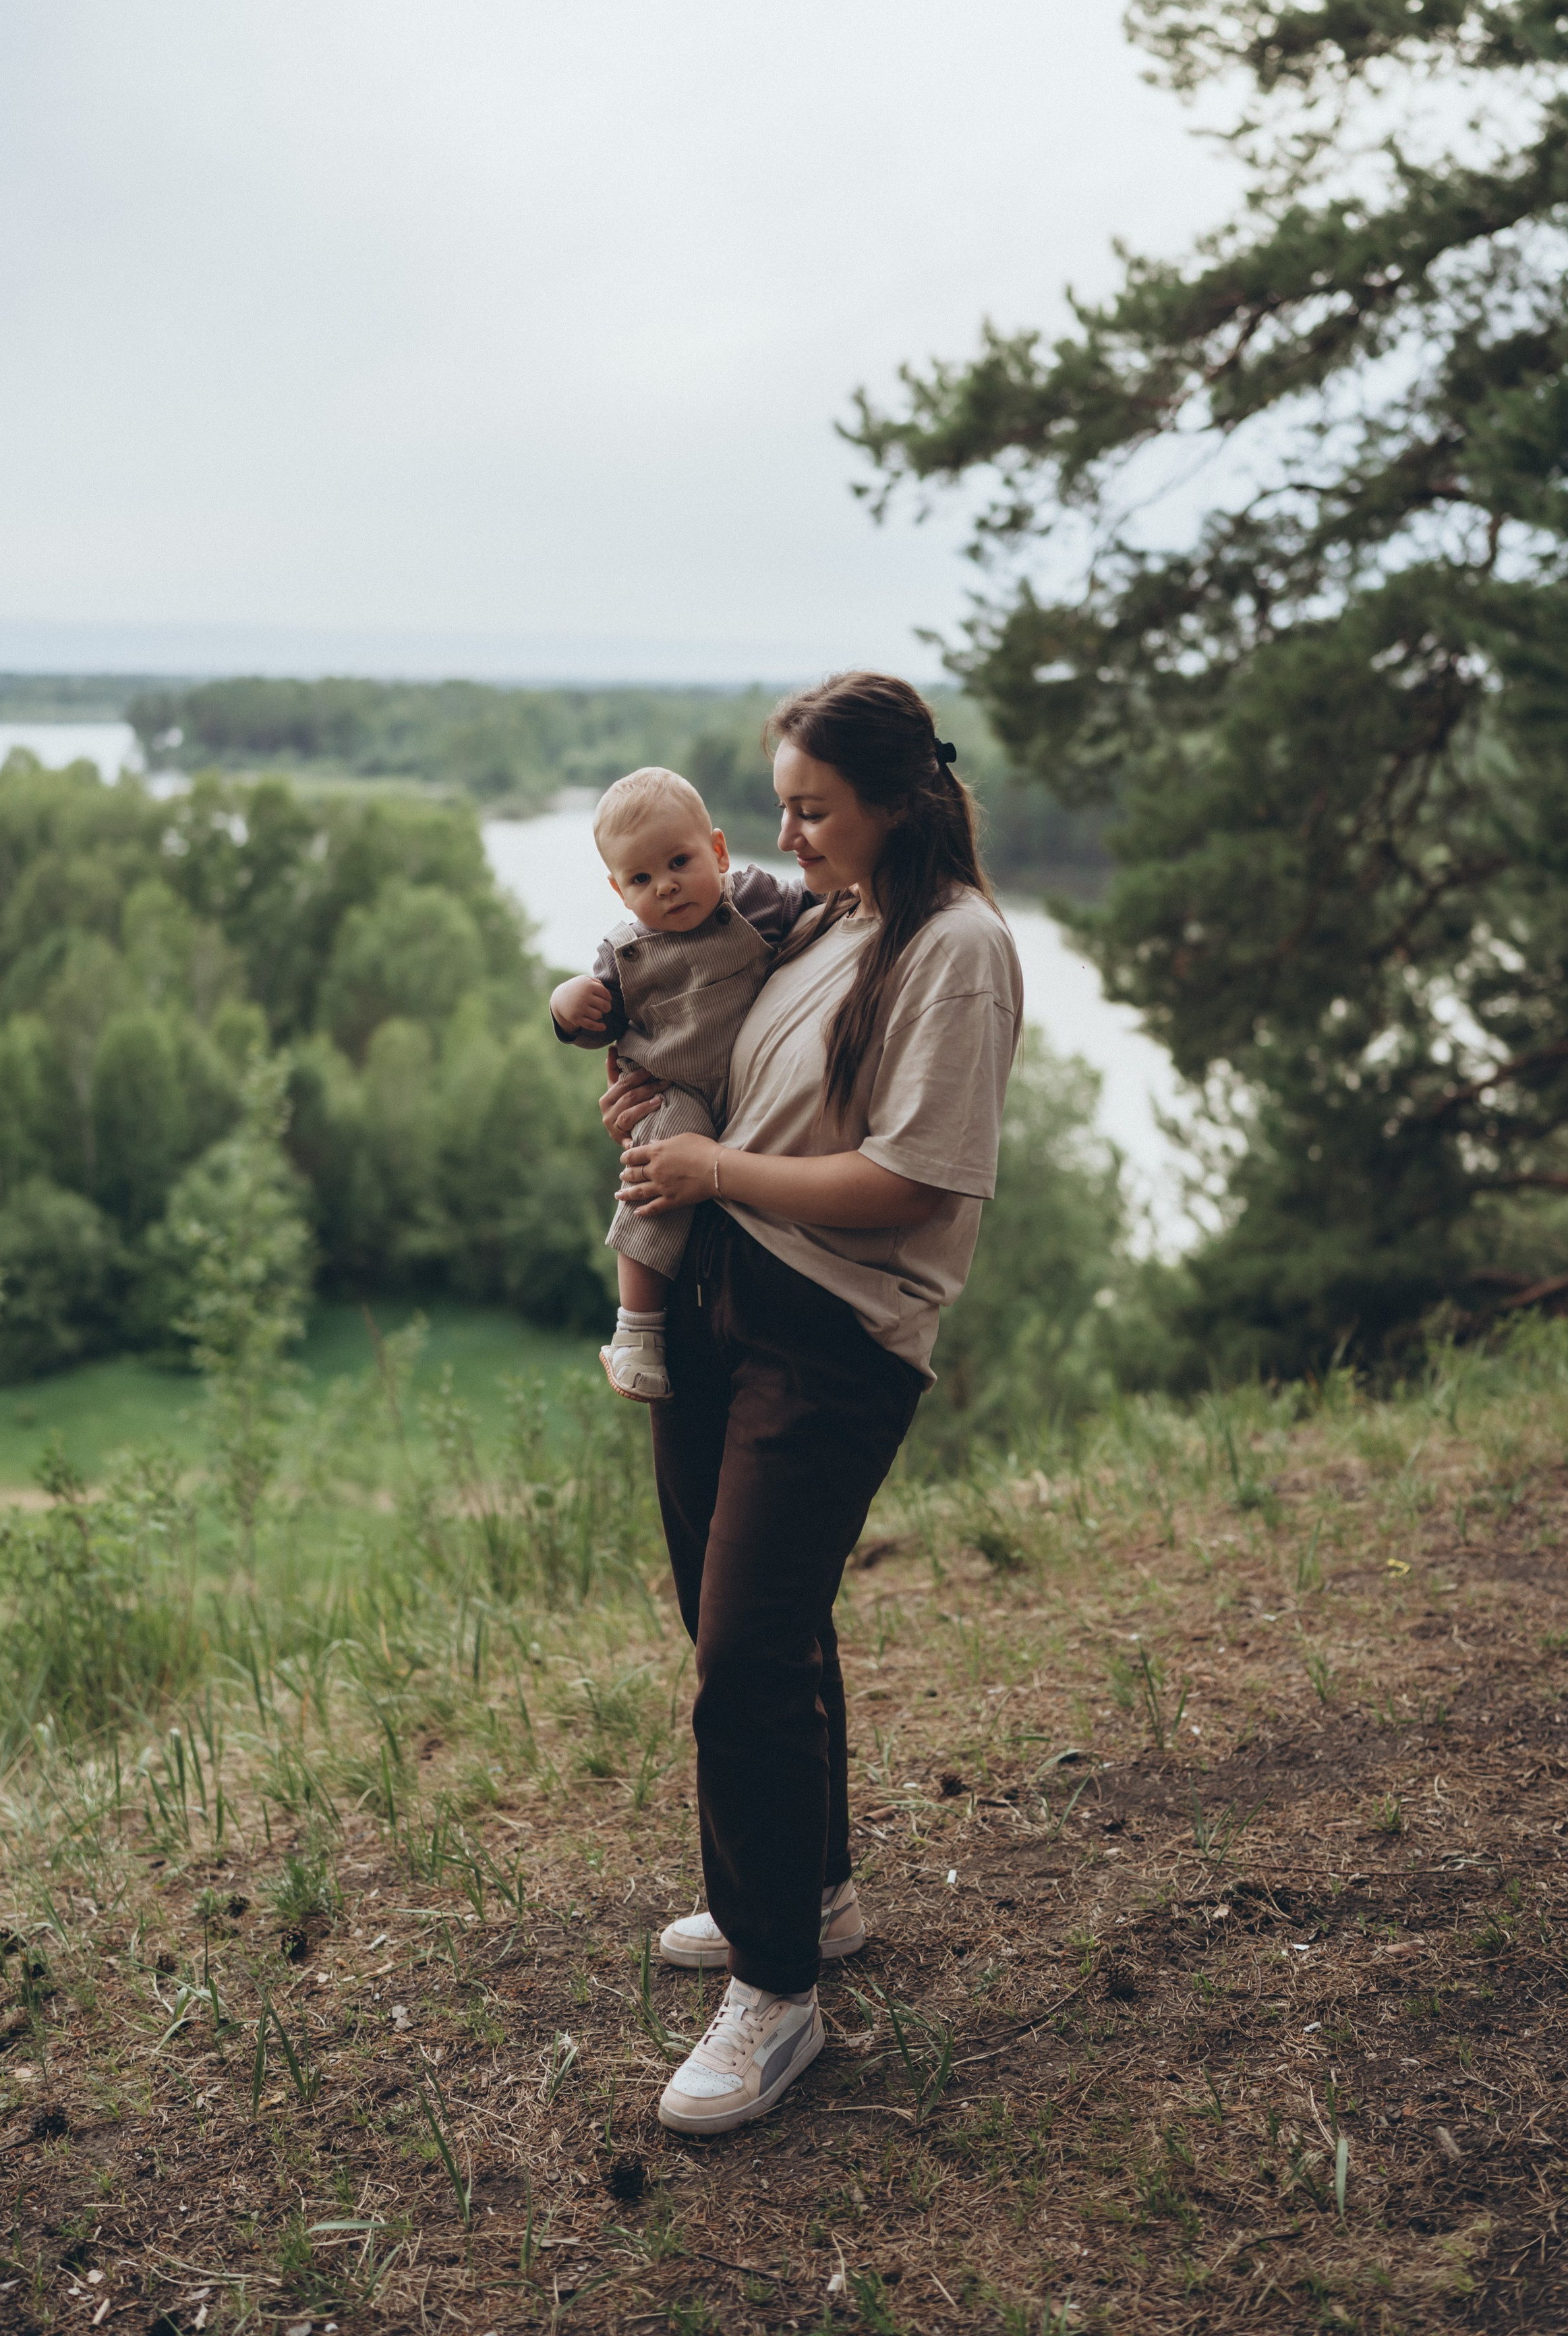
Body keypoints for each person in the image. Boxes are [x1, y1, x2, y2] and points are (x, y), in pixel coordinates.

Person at [598, 672, 1024, 2136]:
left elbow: (913, 1177)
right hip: (721, 1295)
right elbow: (729, 1053)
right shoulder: (830, 915)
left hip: (833, 1329)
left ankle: (776, 1999)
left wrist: (713, 1173)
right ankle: (807, 1894)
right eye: (777, 806)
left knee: (746, 1650)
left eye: (812, 808)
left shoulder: (953, 947)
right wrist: (656, 1096)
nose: (787, 832)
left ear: (896, 799)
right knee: (736, 1623)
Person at [548, 768, 817, 1403]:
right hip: (675, 1090)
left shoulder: (754, 902)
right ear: (619, 890)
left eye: (679, 862)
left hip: (755, 1088)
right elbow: (597, 1028)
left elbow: (822, 909)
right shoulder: (626, 955)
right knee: (655, 1178)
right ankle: (637, 1330)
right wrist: (566, 1007)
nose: (665, 887)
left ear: (718, 852)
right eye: (641, 879)